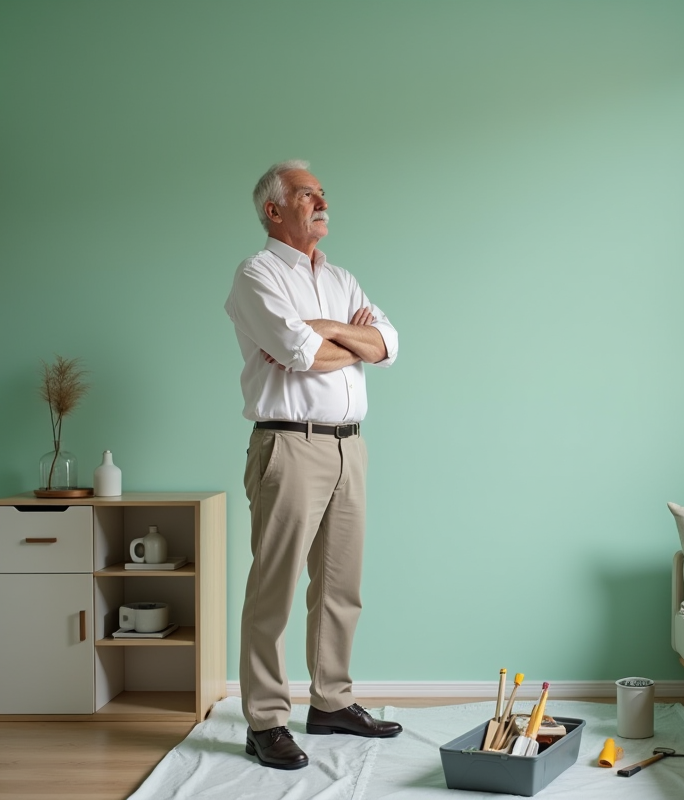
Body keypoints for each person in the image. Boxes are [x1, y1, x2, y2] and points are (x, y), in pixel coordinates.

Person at [224, 160, 402, 770]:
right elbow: (299, 354)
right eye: (307, 194)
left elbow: (388, 345)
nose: (321, 201)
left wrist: (330, 334)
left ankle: (330, 702)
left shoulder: (344, 279)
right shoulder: (256, 275)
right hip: (288, 444)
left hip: (350, 444)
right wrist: (343, 341)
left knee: (340, 585)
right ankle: (265, 721)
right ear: (274, 210)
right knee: (274, 587)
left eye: (322, 193)